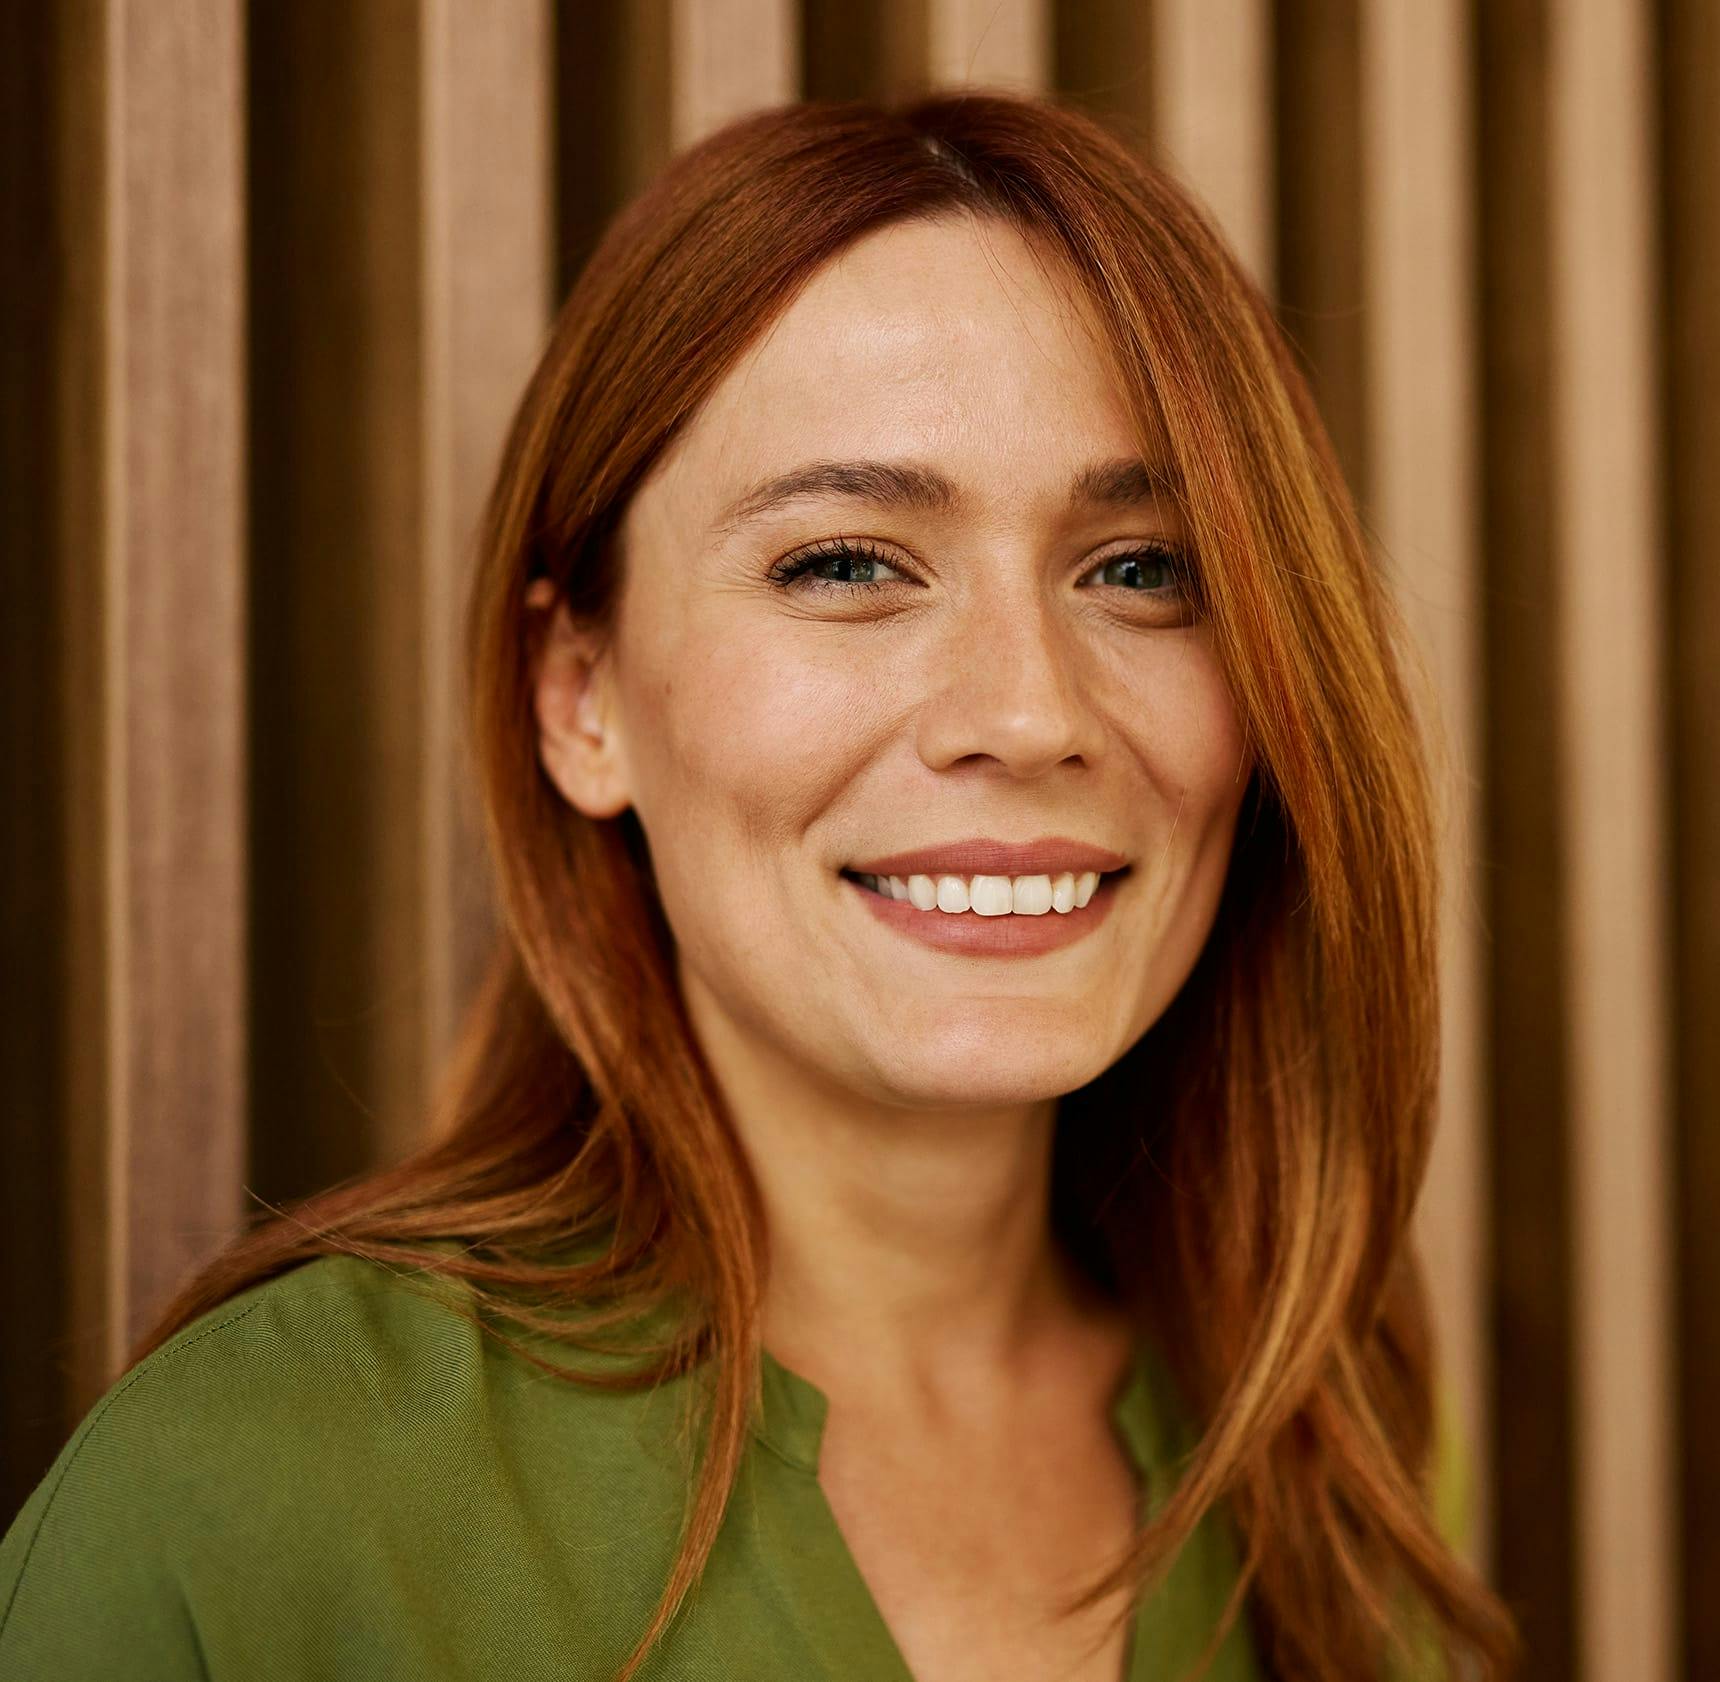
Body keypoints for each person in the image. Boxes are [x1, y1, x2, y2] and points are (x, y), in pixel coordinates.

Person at [0, 90, 1518, 1682]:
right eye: (847, 563)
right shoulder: (255, 1495)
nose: (1027, 712)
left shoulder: (1338, 1450)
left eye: (1142, 569)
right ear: (578, 694)